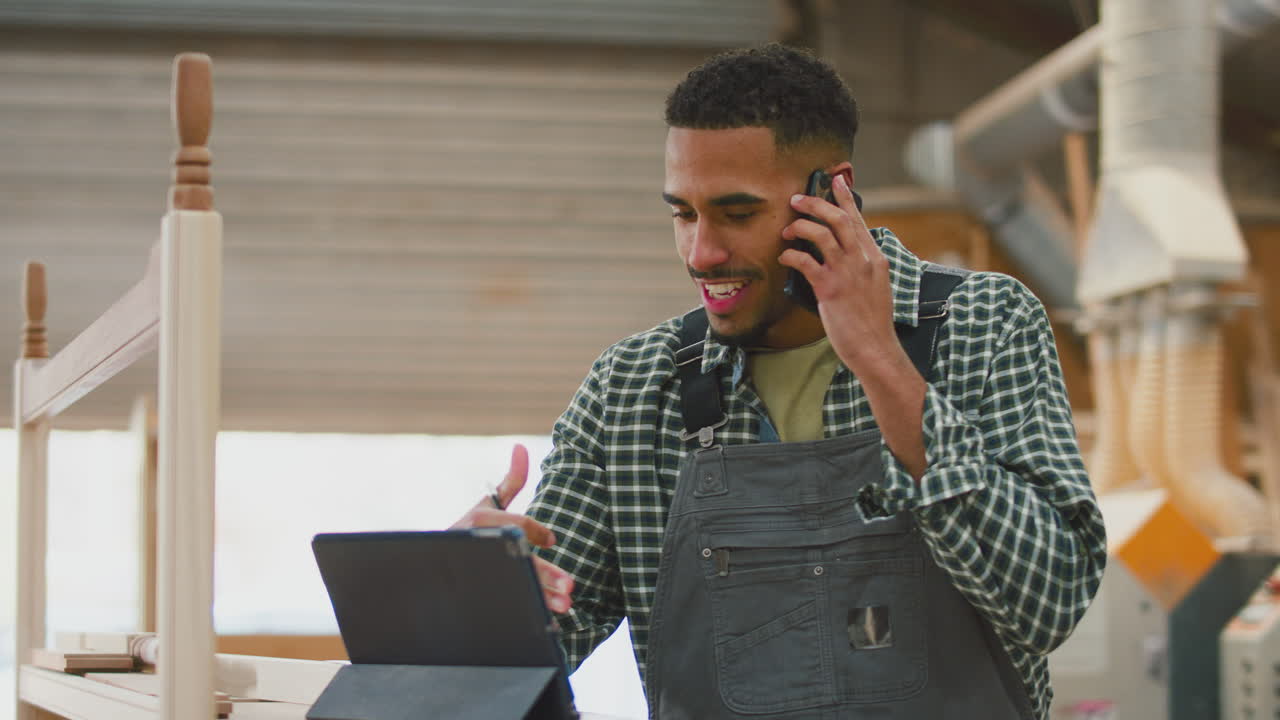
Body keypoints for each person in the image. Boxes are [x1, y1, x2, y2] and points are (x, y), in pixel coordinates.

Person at [453, 43, 1106, 719]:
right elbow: (528, 653)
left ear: (833, 192)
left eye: (737, 214)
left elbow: (1050, 601)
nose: (702, 253)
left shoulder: (983, 324)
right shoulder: (631, 390)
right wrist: (472, 595)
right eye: (683, 214)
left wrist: (880, 359)